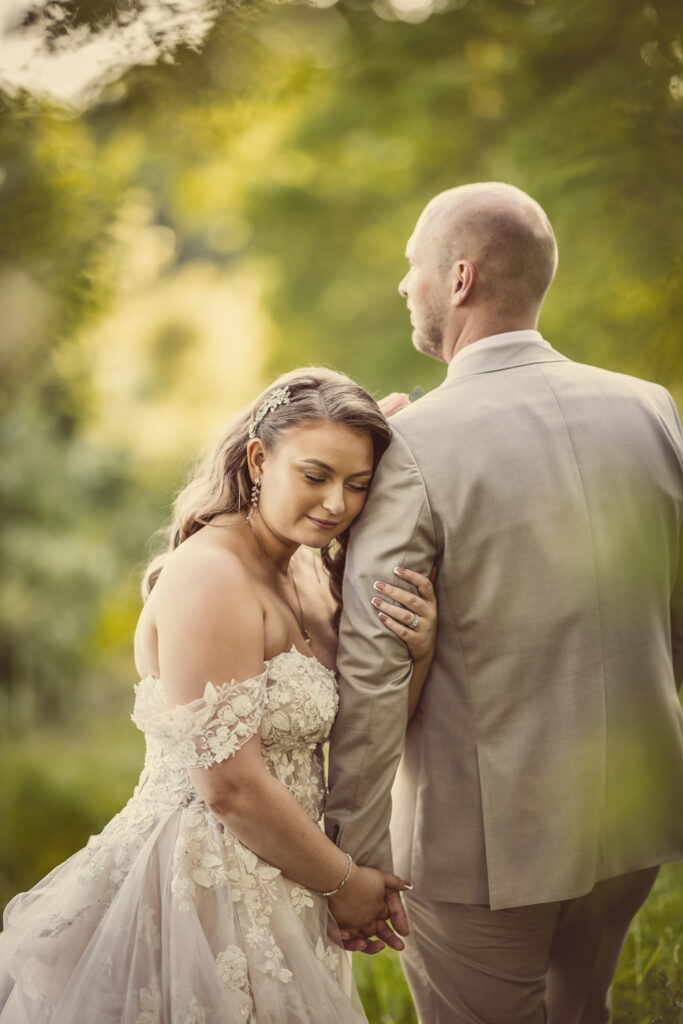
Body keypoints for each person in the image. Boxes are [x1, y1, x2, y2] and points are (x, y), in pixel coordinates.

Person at [325, 182, 683, 1023]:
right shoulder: (650, 408)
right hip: (634, 816)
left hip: (483, 844)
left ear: (459, 279)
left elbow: (375, 659)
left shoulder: (413, 443)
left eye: (412, 265)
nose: (403, 284)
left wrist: (352, 856)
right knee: (581, 1010)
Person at [0, 367, 439, 1023]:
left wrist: (418, 651)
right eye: (315, 475)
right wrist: (345, 883)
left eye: (357, 484)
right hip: (200, 885)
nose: (336, 504)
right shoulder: (212, 575)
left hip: (289, 877)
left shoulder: (308, 572)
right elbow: (228, 785)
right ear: (259, 460)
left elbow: (359, 727)